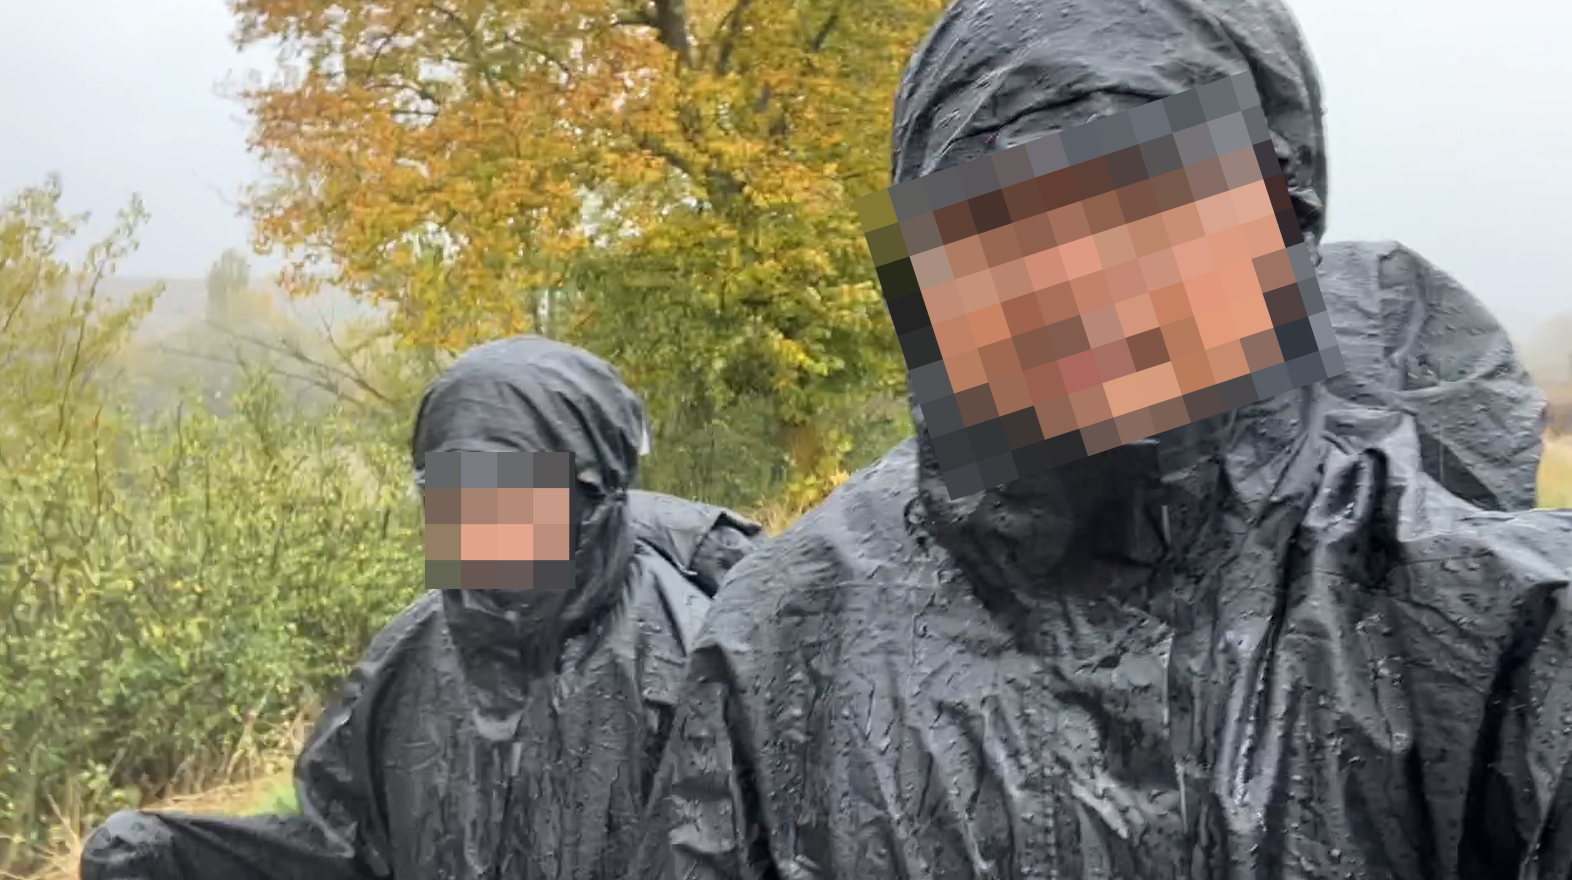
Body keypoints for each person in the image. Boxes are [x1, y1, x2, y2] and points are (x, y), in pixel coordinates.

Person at [626, 1, 1572, 878]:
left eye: (1152, 223)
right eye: (1016, 236)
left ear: (1286, 231)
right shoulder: (791, 632)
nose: (1089, 295)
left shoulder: (1492, 636)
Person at [80, 335, 765, 880]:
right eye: (455, 493)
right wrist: (175, 856)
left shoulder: (692, 653)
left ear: (593, 494)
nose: (485, 524)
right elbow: (347, 847)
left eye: (513, 492)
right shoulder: (409, 656)